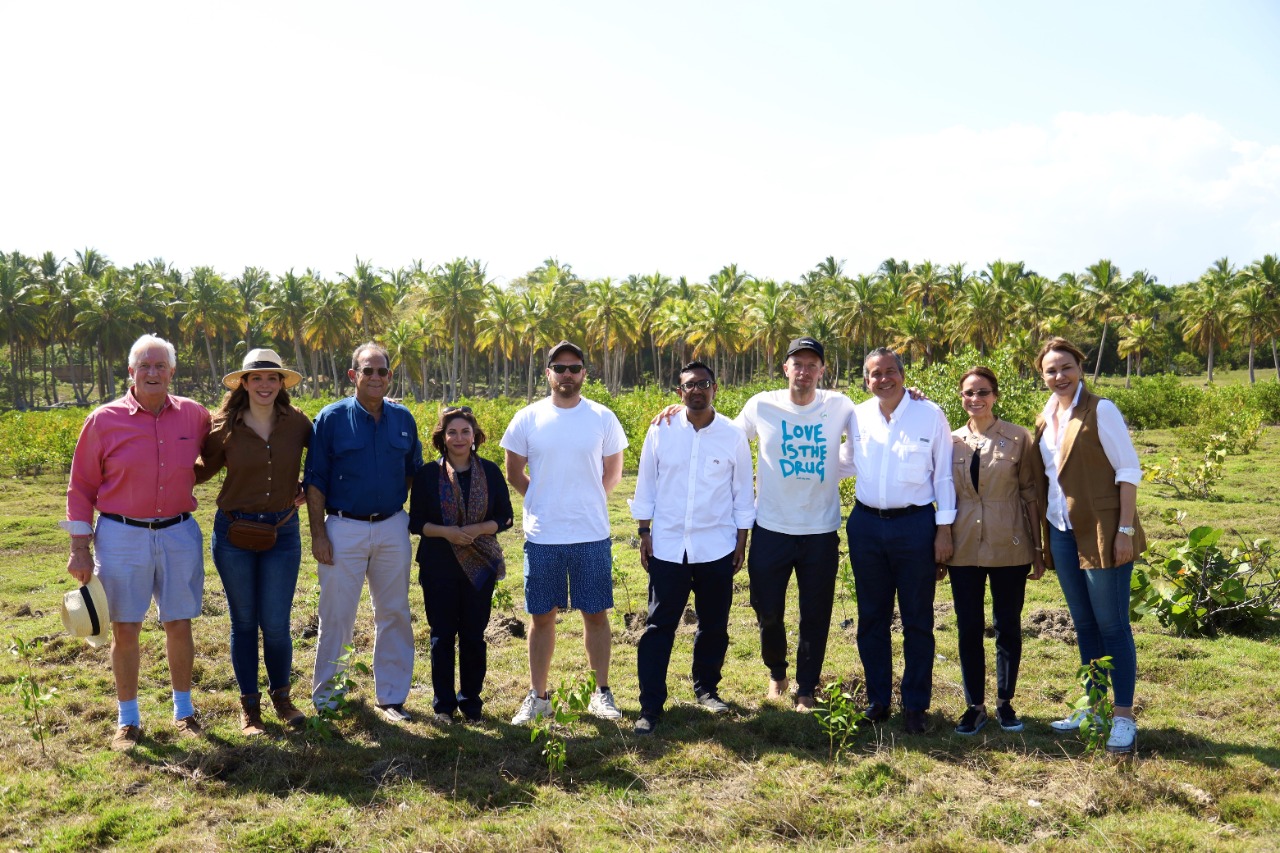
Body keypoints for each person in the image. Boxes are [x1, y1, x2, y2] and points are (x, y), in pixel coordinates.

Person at [62, 334, 211, 751]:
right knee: (126, 628)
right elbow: (80, 488)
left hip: (179, 531)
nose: (152, 372)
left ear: (172, 372)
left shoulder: (195, 416)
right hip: (121, 533)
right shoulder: (103, 420)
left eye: (160, 365)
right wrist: (79, 547)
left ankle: (184, 711)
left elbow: (226, 448)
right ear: (130, 372)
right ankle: (128, 718)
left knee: (179, 622)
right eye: (144, 365)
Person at [501, 341, 628, 724]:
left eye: (574, 368)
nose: (567, 375)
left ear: (584, 373)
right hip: (543, 537)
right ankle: (538, 697)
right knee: (542, 618)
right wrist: (542, 500)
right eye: (560, 368)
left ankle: (600, 692)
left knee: (596, 614)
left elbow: (613, 474)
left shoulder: (602, 417)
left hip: (591, 534)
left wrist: (586, 501)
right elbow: (514, 473)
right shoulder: (527, 418)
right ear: (548, 374)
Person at [729, 337, 858, 711]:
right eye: (797, 364)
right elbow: (729, 439)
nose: (804, 371)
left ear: (822, 371)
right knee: (766, 609)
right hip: (771, 527)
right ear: (785, 368)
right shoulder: (761, 405)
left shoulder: (839, 405)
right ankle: (776, 672)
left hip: (820, 531)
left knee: (815, 613)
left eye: (811, 365)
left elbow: (875, 425)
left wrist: (912, 396)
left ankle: (806, 689)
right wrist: (681, 411)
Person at [630, 362, 755, 735]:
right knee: (658, 626)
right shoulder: (661, 430)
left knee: (714, 624)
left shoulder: (732, 434)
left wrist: (741, 540)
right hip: (667, 546)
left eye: (703, 384)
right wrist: (643, 531)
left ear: (716, 388)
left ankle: (706, 689)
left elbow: (741, 492)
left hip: (716, 545)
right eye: (689, 385)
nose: (697, 390)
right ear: (679, 392)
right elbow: (646, 483)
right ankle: (650, 706)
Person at [1033, 337, 1145, 754]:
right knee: (1084, 625)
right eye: (1050, 370)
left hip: (1102, 530)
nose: (1058, 376)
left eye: (1065, 367)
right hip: (1062, 531)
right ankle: (1094, 707)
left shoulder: (1101, 410)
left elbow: (1128, 470)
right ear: (1042, 375)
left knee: (1113, 624)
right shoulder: (1045, 417)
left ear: (1079, 367)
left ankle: (1123, 716)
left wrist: (1125, 531)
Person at [195, 349, 312, 735]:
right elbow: (199, 471)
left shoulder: (297, 423)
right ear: (243, 383)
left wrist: (308, 486)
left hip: (282, 532)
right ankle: (250, 709)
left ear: (282, 384)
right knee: (243, 622)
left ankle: (282, 698)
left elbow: (329, 457)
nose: (265, 385)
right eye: (257, 378)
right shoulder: (221, 427)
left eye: (272, 378)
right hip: (233, 534)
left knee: (277, 624)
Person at [305, 342, 423, 722]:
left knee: (394, 613)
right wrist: (318, 535)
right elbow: (316, 480)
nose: (375, 377)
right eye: (367, 371)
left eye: (382, 371)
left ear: (390, 376)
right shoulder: (331, 418)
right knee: (337, 615)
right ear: (353, 375)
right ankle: (329, 699)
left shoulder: (403, 419)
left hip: (392, 527)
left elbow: (412, 472)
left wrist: (393, 511)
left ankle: (391, 698)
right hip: (342, 528)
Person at [842, 347, 955, 734]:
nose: (883, 379)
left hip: (915, 526)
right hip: (866, 526)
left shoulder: (930, 414)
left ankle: (916, 705)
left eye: (890, 371)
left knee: (917, 620)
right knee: (871, 617)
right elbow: (841, 459)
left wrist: (944, 529)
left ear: (903, 375)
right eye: (875, 374)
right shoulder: (855, 415)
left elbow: (943, 477)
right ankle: (877, 701)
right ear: (866, 379)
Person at [943, 366, 1045, 736]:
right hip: (963, 544)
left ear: (995, 395)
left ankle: (1005, 702)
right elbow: (941, 495)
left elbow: (1031, 495)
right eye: (969, 393)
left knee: (1008, 625)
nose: (976, 399)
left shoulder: (1018, 438)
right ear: (961, 397)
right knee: (968, 626)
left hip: (1010, 543)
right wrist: (939, 545)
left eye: (983, 392)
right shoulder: (950, 440)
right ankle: (974, 706)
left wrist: (1038, 547)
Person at [408, 405, 514, 724]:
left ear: (475, 437)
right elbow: (416, 523)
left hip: (479, 565)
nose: (459, 437)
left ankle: (471, 703)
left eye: (465, 432)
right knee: (442, 636)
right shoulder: (428, 474)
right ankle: (443, 706)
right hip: (438, 564)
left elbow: (505, 517)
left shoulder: (490, 472)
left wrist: (478, 529)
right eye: (451, 432)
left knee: (473, 635)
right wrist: (448, 533)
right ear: (442, 438)